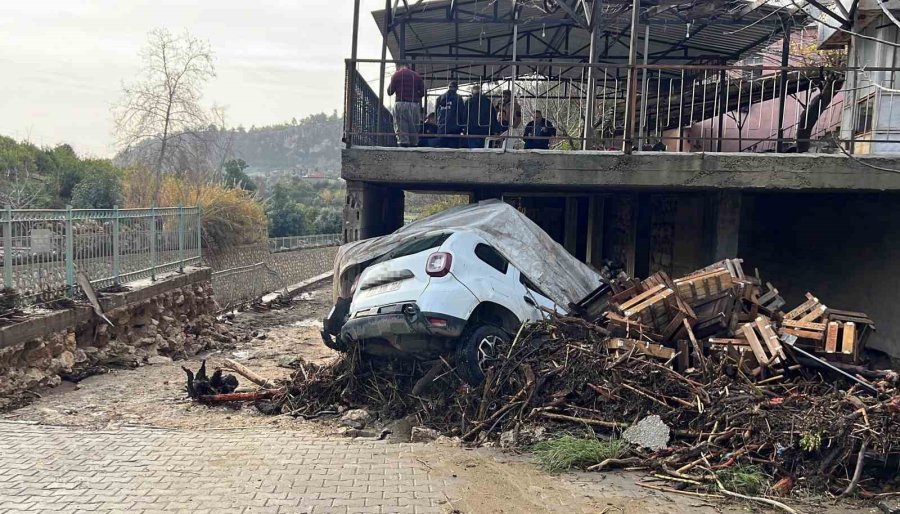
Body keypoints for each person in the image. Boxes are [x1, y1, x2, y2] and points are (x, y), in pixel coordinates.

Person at [387, 63, 425, 147]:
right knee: (414, 129)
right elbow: (422, 93)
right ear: (409, 67)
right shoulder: (416, 76)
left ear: (397, 67)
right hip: (413, 105)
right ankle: (414, 147)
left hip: (400, 104)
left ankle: (403, 147)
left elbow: (390, 92)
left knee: (401, 130)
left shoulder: (396, 75)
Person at [435, 81, 465, 148]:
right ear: (456, 88)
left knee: (441, 150)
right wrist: (463, 126)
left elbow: (436, 113)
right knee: (453, 152)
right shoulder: (458, 98)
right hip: (455, 128)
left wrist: (438, 124)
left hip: (442, 128)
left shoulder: (439, 98)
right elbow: (462, 113)